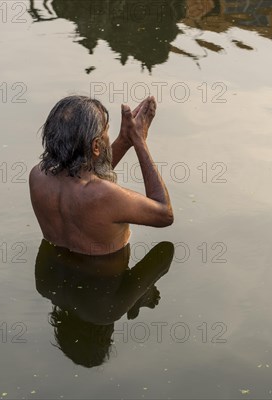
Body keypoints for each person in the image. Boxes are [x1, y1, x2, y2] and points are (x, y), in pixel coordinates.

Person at [29, 95, 173, 255]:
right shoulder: (106, 195)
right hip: (105, 277)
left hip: (53, 272)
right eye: (106, 130)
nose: (108, 134)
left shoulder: (37, 176)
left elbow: (89, 177)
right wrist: (139, 140)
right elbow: (164, 214)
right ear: (96, 145)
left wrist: (125, 140)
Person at [35, 240, 175, 368]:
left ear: (102, 338)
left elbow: (166, 251)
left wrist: (143, 288)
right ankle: (136, 294)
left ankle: (140, 295)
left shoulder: (105, 314)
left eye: (108, 339)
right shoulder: (44, 286)